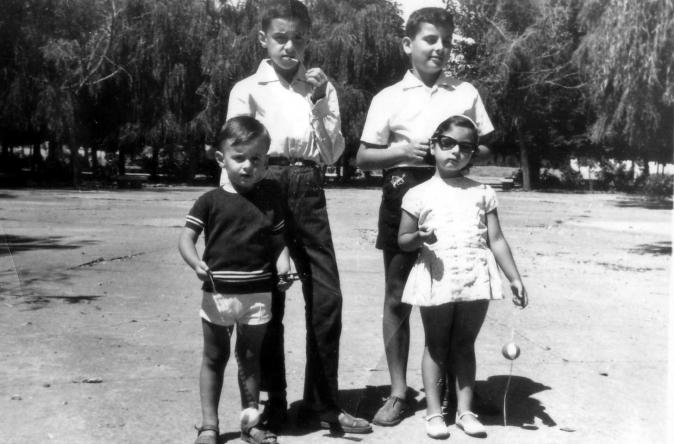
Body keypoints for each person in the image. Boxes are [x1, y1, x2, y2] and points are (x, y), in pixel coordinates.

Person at [226, 0, 371, 434]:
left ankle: (323, 402)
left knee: (327, 296)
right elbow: (235, 152)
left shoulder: (319, 87)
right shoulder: (248, 89)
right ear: (263, 39)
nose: (290, 47)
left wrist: (322, 102)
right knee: (269, 296)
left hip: (308, 186)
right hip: (262, 188)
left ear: (308, 40)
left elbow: (332, 153)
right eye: (280, 38)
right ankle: (273, 402)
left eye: (298, 39)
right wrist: (230, 209)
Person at [356, 7, 495, 427]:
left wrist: (455, 150)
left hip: (454, 197)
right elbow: (363, 157)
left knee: (453, 293)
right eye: (430, 39)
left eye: (446, 42)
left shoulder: (465, 92)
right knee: (397, 295)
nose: (439, 48)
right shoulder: (388, 97)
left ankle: (455, 391)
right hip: (403, 193)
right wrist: (401, 151)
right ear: (408, 44)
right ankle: (399, 392)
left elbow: (486, 146)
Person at [398, 115, 528, 439]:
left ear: (473, 153)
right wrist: (419, 238)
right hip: (437, 274)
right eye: (447, 143)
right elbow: (403, 239)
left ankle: (465, 411)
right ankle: (433, 413)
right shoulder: (417, 193)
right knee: (436, 344)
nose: (455, 151)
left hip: (475, 273)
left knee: (465, 344)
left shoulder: (482, 192)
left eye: (465, 147)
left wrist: (514, 277)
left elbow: (496, 239)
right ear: (433, 145)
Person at [179, 116, 291, 444]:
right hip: (219, 295)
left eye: (256, 159)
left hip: (258, 296)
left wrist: (284, 267)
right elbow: (186, 239)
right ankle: (209, 426)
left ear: (266, 162)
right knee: (214, 358)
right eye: (238, 157)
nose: (247, 166)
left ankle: (250, 424)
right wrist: (196, 263)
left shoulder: (269, 201)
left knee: (251, 360)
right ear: (221, 158)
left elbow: (278, 243)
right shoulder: (209, 201)